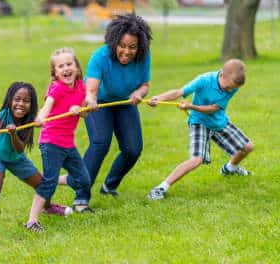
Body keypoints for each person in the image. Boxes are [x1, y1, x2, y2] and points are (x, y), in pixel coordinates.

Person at [0, 82, 73, 243]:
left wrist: (13, 135)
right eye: (17, 99)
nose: (21, 104)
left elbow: (19, 149)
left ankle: (48, 207)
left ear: (31, 105)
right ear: (10, 99)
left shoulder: (29, 121)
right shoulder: (3, 115)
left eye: (26, 101)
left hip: (16, 158)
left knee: (44, 185)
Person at [147, 59, 253, 200]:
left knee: (248, 147)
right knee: (197, 159)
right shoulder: (204, 80)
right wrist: (159, 98)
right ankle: (160, 188)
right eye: (227, 87)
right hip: (199, 123)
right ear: (221, 74)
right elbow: (180, 91)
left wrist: (191, 107)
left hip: (218, 122)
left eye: (232, 88)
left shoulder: (233, 87)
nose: (229, 90)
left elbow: (213, 109)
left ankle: (230, 168)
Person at [80, 13, 152, 199]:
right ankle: (81, 196)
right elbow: (91, 89)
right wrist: (91, 100)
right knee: (100, 143)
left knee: (133, 149)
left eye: (132, 47)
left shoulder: (144, 57)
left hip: (124, 102)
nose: (126, 52)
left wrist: (138, 93)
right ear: (114, 42)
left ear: (140, 46)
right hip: (99, 103)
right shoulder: (101, 56)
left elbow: (145, 85)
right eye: (122, 46)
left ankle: (109, 185)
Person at [25, 47, 92, 233]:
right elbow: (47, 106)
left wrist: (82, 109)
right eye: (61, 66)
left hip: (68, 144)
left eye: (69, 64)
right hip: (51, 142)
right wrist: (40, 118)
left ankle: (53, 179)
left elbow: (86, 114)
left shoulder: (81, 86)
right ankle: (32, 220)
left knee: (84, 180)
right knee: (48, 185)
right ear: (55, 73)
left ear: (77, 68)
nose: (66, 68)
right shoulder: (57, 88)